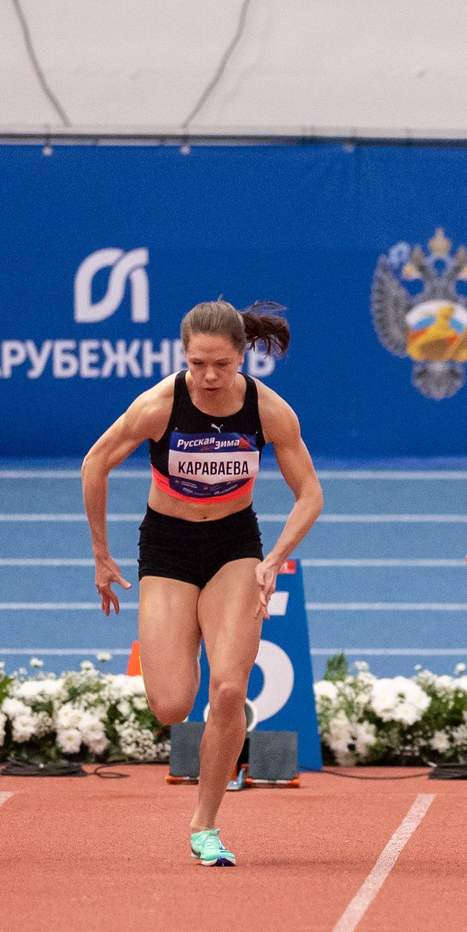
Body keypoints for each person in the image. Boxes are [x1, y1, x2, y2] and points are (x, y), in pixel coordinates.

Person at [83, 301, 322, 865]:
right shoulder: (159, 405)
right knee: (170, 704)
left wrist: (274, 560)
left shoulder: (269, 412)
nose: (209, 377)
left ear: (243, 357)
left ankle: (205, 824)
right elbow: (95, 464)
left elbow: (310, 493)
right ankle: (185, 640)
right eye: (197, 364)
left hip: (235, 546)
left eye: (220, 364)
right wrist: (100, 553)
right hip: (167, 547)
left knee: (230, 690)